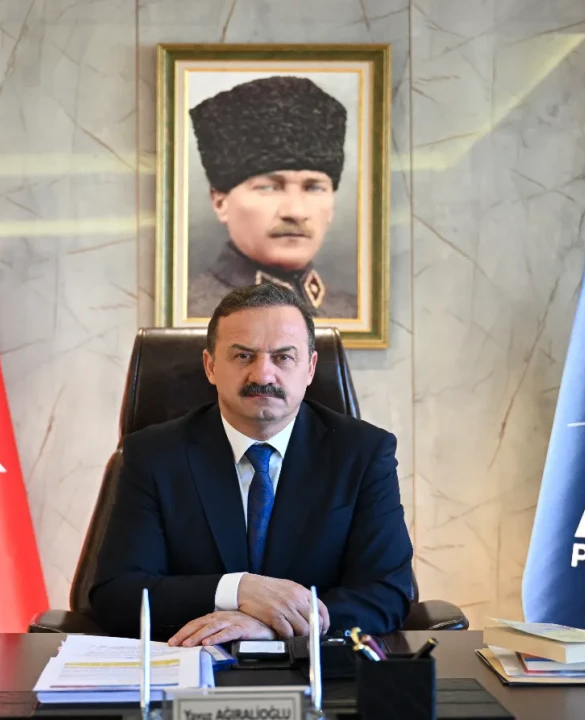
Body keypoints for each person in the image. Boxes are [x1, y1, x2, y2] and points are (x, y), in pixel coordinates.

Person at [89, 284, 413, 645]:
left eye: (283, 357)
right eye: (243, 356)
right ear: (211, 366)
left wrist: (273, 625)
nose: (262, 375)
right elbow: (116, 594)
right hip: (195, 664)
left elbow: (388, 593)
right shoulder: (154, 455)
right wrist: (237, 589)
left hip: (317, 665)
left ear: (310, 368)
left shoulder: (363, 453)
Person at [186, 76, 358, 319]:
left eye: (314, 188)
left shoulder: (356, 314)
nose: (296, 212)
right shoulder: (185, 311)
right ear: (220, 202)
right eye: (269, 188)